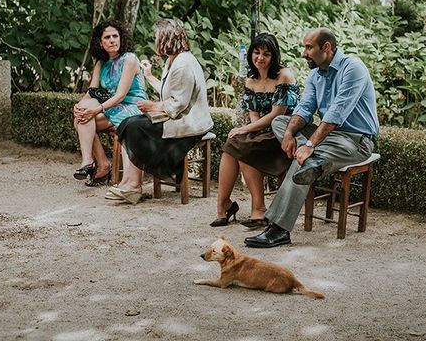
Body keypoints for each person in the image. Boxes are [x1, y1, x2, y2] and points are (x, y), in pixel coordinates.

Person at [244, 27, 379, 248]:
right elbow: (305, 108)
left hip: (355, 141)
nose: (303, 53)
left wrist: (308, 145)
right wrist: (289, 134)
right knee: (280, 122)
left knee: (303, 161)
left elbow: (337, 113)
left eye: (308, 47)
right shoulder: (316, 74)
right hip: (329, 138)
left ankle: (279, 229)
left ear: (326, 47)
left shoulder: (353, 69)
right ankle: (314, 160)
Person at [106, 18, 213, 205]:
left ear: (166, 39)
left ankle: (132, 186)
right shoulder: (173, 61)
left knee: (133, 127)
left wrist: (152, 106)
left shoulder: (183, 64)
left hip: (189, 123)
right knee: (128, 123)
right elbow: (169, 91)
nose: (154, 40)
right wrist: (148, 76)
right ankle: (128, 183)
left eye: (156, 37)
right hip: (179, 117)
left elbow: (177, 104)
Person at [210, 33, 300, 228]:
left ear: (274, 56)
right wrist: (250, 131)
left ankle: (255, 208)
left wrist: (246, 129)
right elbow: (254, 113)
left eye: (266, 54)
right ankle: (224, 204)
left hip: (284, 133)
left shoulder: (284, 76)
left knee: (243, 145)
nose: (260, 58)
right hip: (262, 131)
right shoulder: (250, 80)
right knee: (234, 144)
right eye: (256, 53)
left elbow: (277, 114)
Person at [72, 21, 147, 186]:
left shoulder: (130, 59)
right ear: (100, 42)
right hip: (111, 107)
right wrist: (78, 106)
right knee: (81, 116)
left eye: (115, 36)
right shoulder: (101, 63)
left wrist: (95, 110)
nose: (112, 40)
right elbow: (92, 92)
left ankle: (97, 165)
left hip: (133, 106)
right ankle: (91, 162)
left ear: (121, 39)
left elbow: (121, 96)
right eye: (107, 37)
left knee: (83, 120)